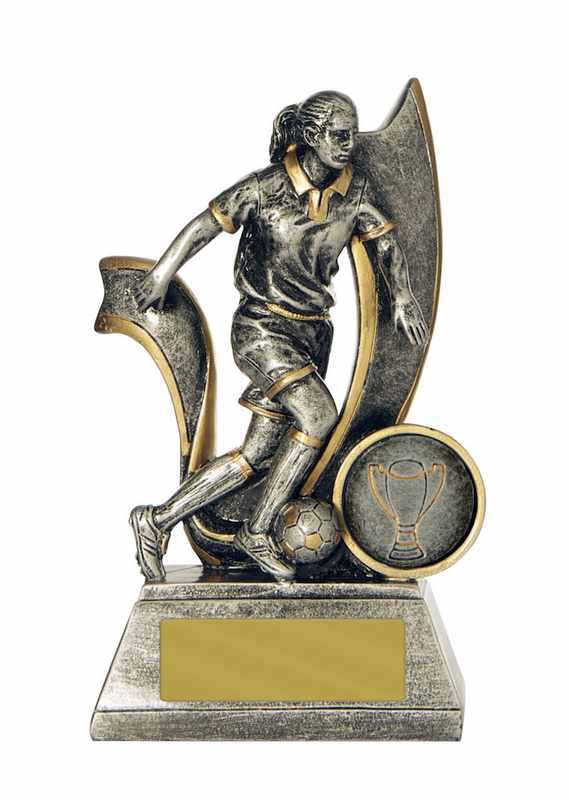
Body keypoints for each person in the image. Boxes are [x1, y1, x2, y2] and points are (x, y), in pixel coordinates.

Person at [129, 90, 427, 581]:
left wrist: (401, 296)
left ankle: (157, 519)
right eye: (339, 135)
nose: (349, 144)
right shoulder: (266, 187)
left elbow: (387, 243)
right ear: (310, 136)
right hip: (261, 328)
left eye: (351, 134)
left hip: (313, 336)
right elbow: (205, 225)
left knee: (257, 454)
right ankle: (257, 531)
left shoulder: (354, 191)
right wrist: (162, 272)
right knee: (318, 415)